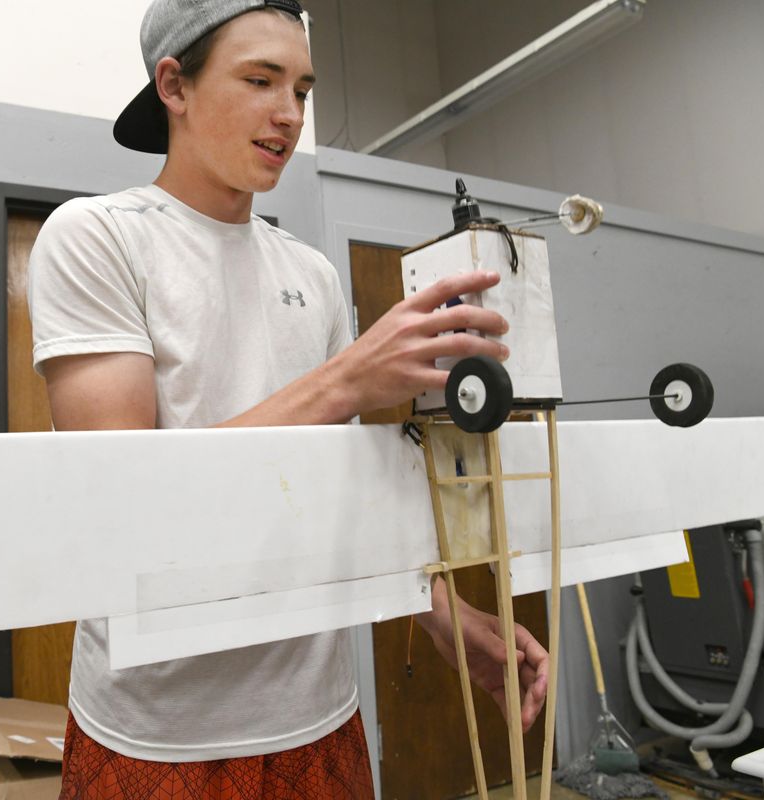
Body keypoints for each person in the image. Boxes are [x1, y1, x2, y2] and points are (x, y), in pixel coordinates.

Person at [27, 1, 549, 797]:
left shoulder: (312, 275)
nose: (289, 115)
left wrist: (439, 610)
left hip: (319, 715)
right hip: (158, 729)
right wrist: (343, 381)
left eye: (302, 89)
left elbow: (335, 489)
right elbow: (122, 493)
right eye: (260, 80)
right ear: (174, 84)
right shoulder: (100, 237)